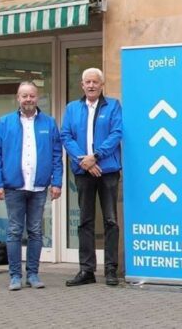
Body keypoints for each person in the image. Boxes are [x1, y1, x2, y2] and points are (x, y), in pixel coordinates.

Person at [0, 81, 63, 291]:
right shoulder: (4, 123)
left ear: (37, 98)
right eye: (24, 96)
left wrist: (56, 182)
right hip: (13, 187)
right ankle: (14, 276)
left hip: (39, 187)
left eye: (31, 95)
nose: (28, 99)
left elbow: (57, 156)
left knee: (36, 231)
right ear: (18, 99)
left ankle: (33, 274)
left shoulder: (49, 123)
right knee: (14, 231)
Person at [61, 68, 122, 287]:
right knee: (85, 221)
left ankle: (111, 270)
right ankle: (86, 270)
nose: (91, 85)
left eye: (95, 82)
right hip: (83, 171)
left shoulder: (113, 106)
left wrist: (96, 157)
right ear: (82, 85)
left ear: (102, 84)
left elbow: (117, 133)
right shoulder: (72, 108)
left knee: (111, 221)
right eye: (87, 82)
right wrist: (83, 161)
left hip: (108, 172)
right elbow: (66, 136)